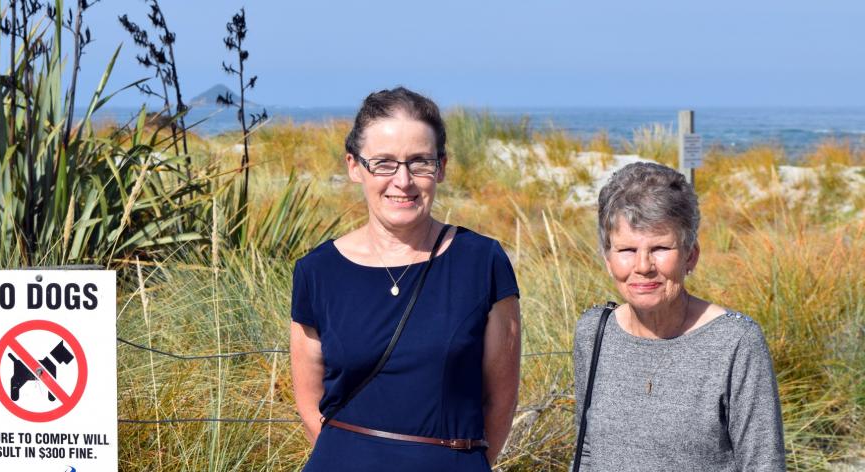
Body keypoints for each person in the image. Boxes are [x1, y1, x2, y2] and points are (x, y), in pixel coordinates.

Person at [290, 87, 521, 471]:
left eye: (419, 163)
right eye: (383, 163)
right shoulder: (317, 271)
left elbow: (500, 402)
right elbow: (309, 400)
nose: (403, 180)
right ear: (353, 166)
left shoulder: (482, 261)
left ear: (441, 167)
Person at [572, 162, 786, 471]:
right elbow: (586, 451)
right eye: (627, 250)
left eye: (660, 247)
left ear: (691, 255)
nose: (643, 266)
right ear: (608, 259)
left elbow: (763, 463)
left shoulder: (735, 343)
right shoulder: (594, 332)